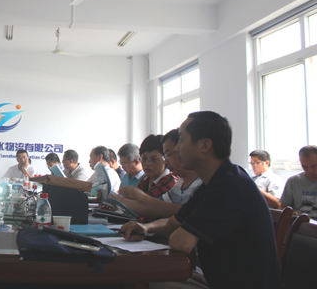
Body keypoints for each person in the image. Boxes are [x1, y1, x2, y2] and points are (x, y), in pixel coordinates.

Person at [122, 111, 283, 289]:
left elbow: (181, 242)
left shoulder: (229, 186)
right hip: (215, 278)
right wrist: (145, 228)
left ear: (205, 145)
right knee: (139, 276)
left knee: (147, 280)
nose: (177, 149)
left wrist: (168, 231)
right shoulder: (212, 183)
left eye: (182, 140)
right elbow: (173, 222)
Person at [110, 129, 202, 220]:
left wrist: (118, 199)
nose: (148, 164)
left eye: (154, 159)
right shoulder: (177, 184)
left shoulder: (172, 181)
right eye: (144, 159)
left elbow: (150, 209)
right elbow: (171, 219)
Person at [280, 145, 317, 219]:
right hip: (299, 223)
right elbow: (282, 207)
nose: (310, 170)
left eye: (314, 166)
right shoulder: (293, 181)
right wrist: (290, 213)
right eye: (305, 167)